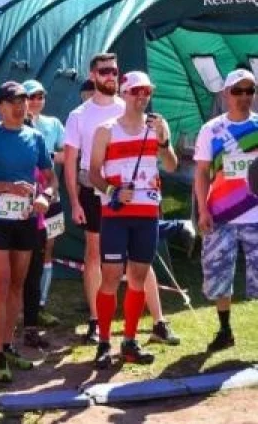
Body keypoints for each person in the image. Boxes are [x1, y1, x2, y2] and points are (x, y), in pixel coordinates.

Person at [63, 53, 178, 345]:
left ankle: (156, 323)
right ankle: (97, 324)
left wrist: (163, 141)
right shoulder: (81, 115)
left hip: (142, 203)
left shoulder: (140, 112)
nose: (110, 76)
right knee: (97, 259)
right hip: (99, 194)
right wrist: (76, 201)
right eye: (104, 71)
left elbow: (170, 162)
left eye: (114, 71)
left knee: (141, 265)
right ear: (93, 74)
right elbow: (74, 161)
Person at [88, 71, 177, 367]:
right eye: (136, 91)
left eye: (147, 91)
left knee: (138, 277)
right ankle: (103, 342)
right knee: (111, 277)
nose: (142, 96)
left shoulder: (157, 126)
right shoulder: (106, 130)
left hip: (147, 214)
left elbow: (171, 165)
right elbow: (92, 173)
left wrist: (163, 140)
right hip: (116, 215)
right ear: (124, 93)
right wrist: (112, 191)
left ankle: (129, 341)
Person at [0, 82, 55, 383]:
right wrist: (6, 187)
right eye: (13, 102)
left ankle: (7, 345)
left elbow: (50, 177)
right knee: (0, 285)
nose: (20, 107)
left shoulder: (35, 137)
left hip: (25, 219)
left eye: (23, 101)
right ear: (0, 106)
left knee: (17, 284)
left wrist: (45, 196)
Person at [194, 68, 258, 352]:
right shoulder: (211, 130)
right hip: (221, 215)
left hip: (256, 215)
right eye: (238, 91)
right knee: (219, 276)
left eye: (249, 90)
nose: (244, 96)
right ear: (225, 94)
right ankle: (225, 330)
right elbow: (201, 172)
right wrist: (202, 210)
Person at [22, 80, 65, 333]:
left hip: (50, 194)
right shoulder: (14, 122)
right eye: (31, 96)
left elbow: (67, 153)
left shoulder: (53, 124)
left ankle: (40, 303)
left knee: (48, 247)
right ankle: (22, 303)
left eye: (40, 96)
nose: (36, 101)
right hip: (24, 197)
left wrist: (47, 156)